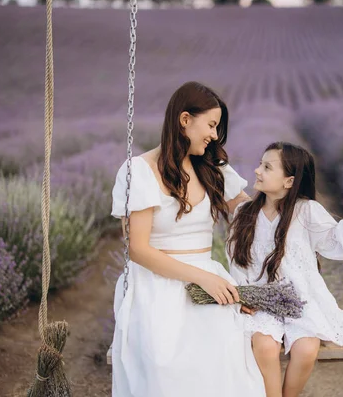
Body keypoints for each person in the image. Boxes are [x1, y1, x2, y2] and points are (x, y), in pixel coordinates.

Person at [110, 81, 266, 396]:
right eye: (210, 124)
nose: (214, 135)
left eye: (217, 128)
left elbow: (253, 216)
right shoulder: (139, 171)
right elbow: (138, 250)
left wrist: (297, 206)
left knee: (224, 358)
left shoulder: (213, 168)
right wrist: (203, 278)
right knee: (168, 366)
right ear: (184, 120)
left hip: (207, 276)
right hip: (156, 282)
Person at [227, 141, 343, 397]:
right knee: (265, 347)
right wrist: (242, 296)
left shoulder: (306, 211)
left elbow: (338, 244)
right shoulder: (245, 213)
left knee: (307, 349)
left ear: (288, 181)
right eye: (260, 164)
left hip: (301, 302)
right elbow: (237, 259)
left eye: (267, 167)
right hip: (261, 302)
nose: (256, 170)